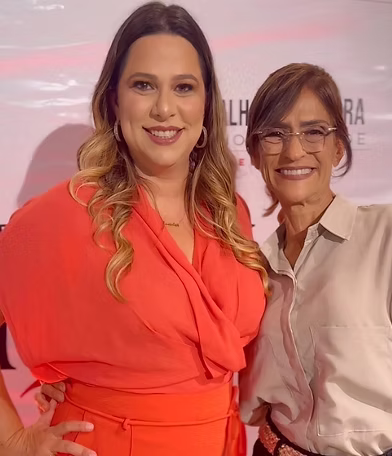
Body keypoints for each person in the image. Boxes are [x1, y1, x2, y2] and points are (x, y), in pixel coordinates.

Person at [0, 2, 267, 455]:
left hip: (223, 441)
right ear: (114, 99)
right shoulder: (66, 213)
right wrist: (12, 440)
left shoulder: (230, 213)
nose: (164, 108)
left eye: (184, 87)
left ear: (205, 103)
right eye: (143, 85)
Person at [239, 63, 392, 456]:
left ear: (338, 146)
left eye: (313, 132)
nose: (294, 151)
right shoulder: (254, 266)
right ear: (254, 152)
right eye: (275, 134)